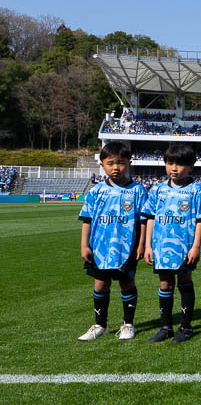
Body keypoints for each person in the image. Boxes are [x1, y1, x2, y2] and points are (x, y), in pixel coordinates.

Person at [77, 142, 148, 341]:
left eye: (121, 163)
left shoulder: (138, 191)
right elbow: (87, 220)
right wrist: (84, 245)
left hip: (126, 248)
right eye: (110, 163)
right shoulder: (96, 191)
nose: (116, 167)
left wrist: (142, 244)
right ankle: (100, 325)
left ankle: (128, 324)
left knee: (127, 283)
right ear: (102, 165)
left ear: (129, 163)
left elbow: (143, 221)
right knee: (100, 285)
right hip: (100, 247)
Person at [142, 144, 201, 343]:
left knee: (184, 280)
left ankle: (186, 327)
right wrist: (148, 246)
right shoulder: (158, 189)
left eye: (180, 164)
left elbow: (200, 220)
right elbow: (150, 217)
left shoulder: (196, 190)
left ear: (191, 167)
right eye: (170, 163)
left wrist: (196, 246)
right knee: (165, 283)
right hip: (161, 247)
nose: (174, 168)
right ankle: (165, 327)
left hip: (184, 247)